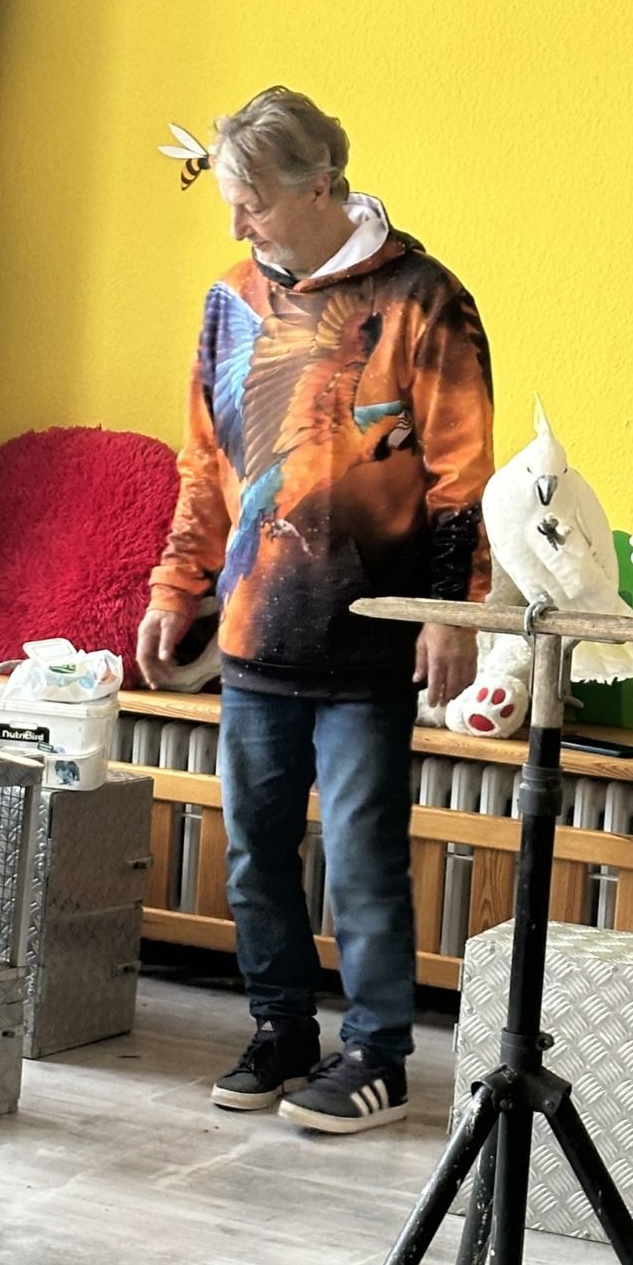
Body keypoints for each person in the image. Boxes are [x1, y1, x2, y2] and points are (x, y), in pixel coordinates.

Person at [137, 87, 494, 1136]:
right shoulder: (230, 300)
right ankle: (281, 1027)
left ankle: (378, 1055)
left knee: (363, 852)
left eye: (251, 203)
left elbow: (462, 474)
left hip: (371, 638)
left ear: (321, 185)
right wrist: (176, 585)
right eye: (230, 201)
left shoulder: (426, 301)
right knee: (254, 848)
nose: (236, 224)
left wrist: (448, 612)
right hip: (256, 633)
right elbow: (205, 461)